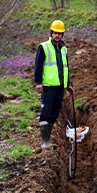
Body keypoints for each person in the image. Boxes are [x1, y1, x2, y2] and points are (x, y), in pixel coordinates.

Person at [33, 19, 73, 148]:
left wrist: (68, 84)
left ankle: (48, 137)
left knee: (55, 113)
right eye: (55, 33)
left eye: (60, 33)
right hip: (48, 87)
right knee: (46, 112)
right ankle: (45, 142)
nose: (57, 35)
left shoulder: (63, 49)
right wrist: (38, 82)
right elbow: (38, 65)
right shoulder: (43, 47)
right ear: (51, 33)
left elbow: (65, 68)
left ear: (62, 35)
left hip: (60, 87)